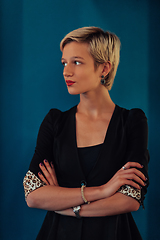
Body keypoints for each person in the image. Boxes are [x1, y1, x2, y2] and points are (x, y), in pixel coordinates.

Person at [23, 27, 149, 240]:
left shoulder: (132, 122)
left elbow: (130, 199)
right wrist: (103, 191)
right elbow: (33, 195)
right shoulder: (55, 122)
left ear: (104, 68)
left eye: (77, 62)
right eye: (64, 62)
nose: (66, 71)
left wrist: (65, 206)